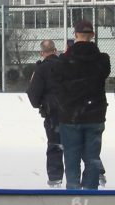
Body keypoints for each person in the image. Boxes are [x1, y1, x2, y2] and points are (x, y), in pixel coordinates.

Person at [52, 20, 110, 190]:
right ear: (92, 35)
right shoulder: (102, 60)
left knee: (71, 157)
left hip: (70, 116)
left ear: (75, 35)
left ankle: (73, 192)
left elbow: (57, 84)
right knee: (92, 156)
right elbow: (102, 73)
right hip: (95, 114)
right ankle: (91, 193)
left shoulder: (64, 60)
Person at [26, 39, 65, 188]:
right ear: (55, 51)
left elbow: (33, 93)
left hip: (52, 112)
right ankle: (80, 177)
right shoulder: (65, 65)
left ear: (42, 53)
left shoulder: (41, 69)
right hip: (70, 110)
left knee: (55, 145)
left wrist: (39, 104)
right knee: (74, 145)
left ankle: (55, 178)